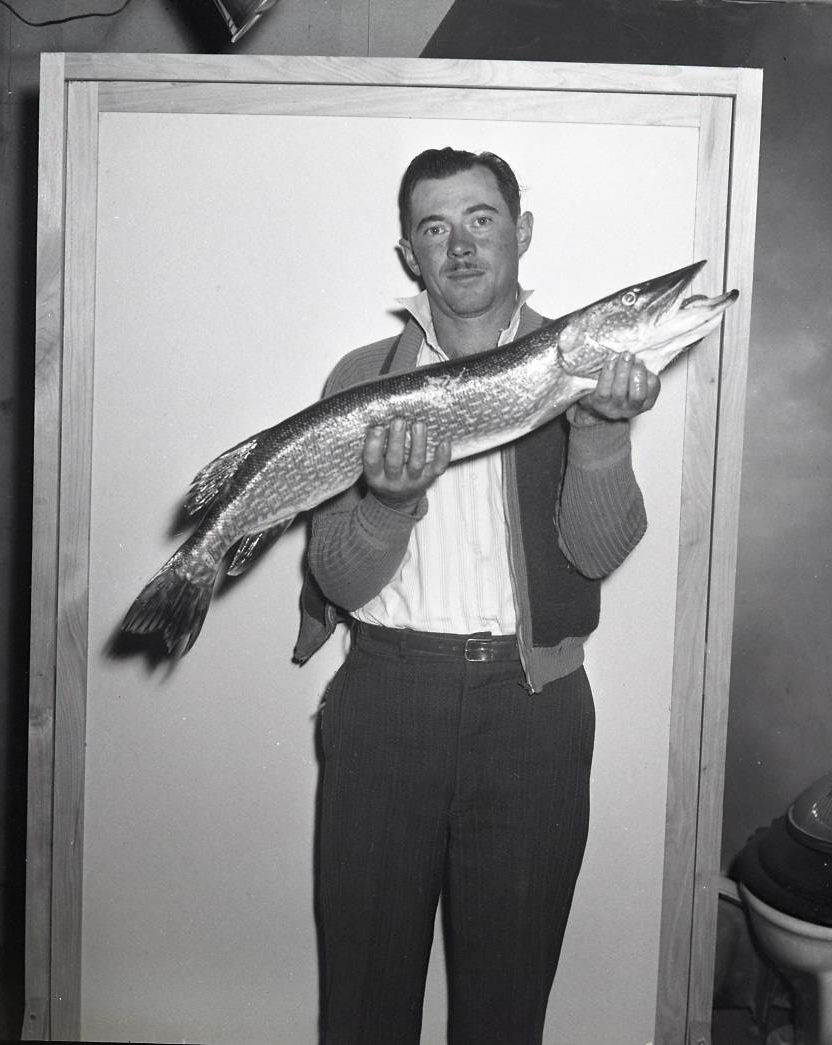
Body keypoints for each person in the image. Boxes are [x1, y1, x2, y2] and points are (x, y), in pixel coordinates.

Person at [293, 147, 660, 1045]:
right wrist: (387, 501)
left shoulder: (569, 365)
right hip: (385, 698)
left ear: (520, 232)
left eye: (481, 219)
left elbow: (596, 551)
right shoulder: (360, 377)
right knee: (363, 1004)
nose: (459, 246)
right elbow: (335, 578)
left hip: (532, 709)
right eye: (434, 227)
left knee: (505, 1010)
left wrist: (604, 437)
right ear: (409, 255)